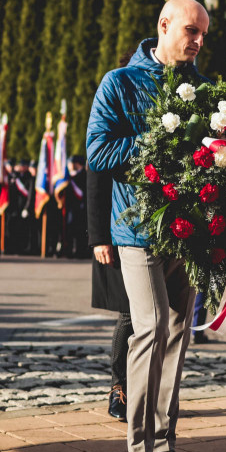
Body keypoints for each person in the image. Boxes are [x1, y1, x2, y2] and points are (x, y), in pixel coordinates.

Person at [86, 0, 209, 452]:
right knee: (152, 325)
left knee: (179, 332)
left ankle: (163, 444)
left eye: (203, 33)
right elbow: (97, 151)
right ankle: (137, 450)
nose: (197, 40)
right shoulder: (120, 82)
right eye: (190, 30)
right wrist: (158, 141)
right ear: (162, 25)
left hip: (190, 230)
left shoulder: (204, 90)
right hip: (136, 229)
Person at [88, 167, 131, 421]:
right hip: (118, 229)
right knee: (129, 313)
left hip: (155, 228)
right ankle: (119, 388)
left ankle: (148, 391)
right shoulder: (105, 125)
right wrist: (99, 237)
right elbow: (96, 179)